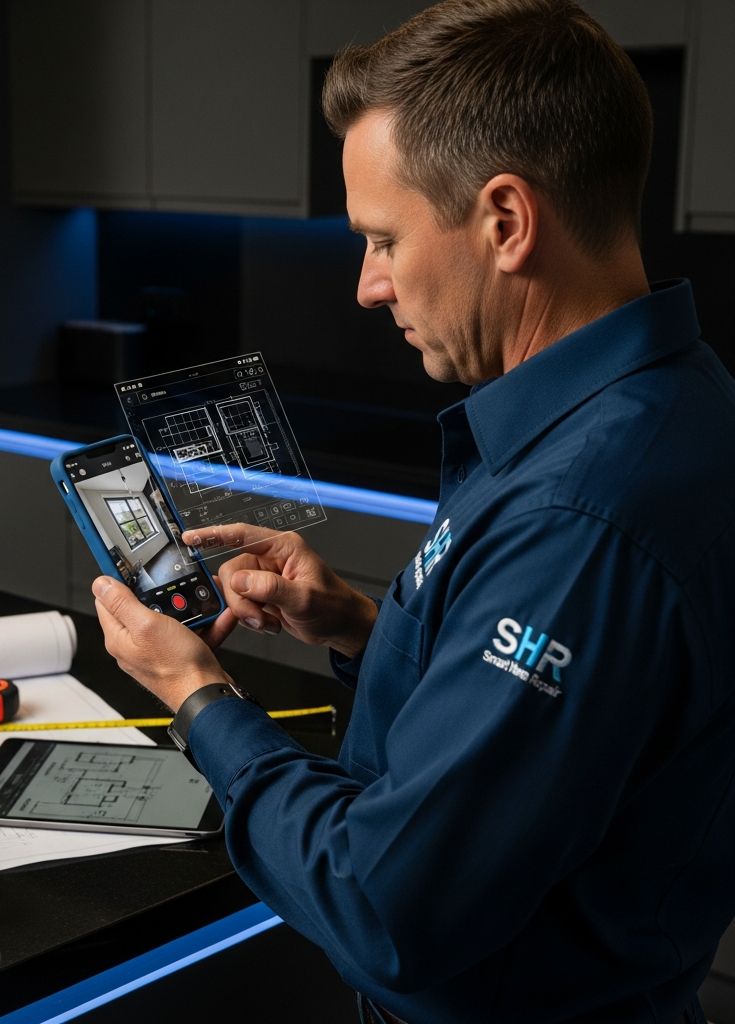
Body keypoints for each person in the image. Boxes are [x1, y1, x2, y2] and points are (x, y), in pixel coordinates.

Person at [91, 1, 735, 1020]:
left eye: (383, 238)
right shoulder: (670, 401)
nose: (365, 284)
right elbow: (579, 719)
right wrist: (360, 624)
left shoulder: (580, 514)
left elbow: (384, 904)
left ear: (507, 222)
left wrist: (201, 700)